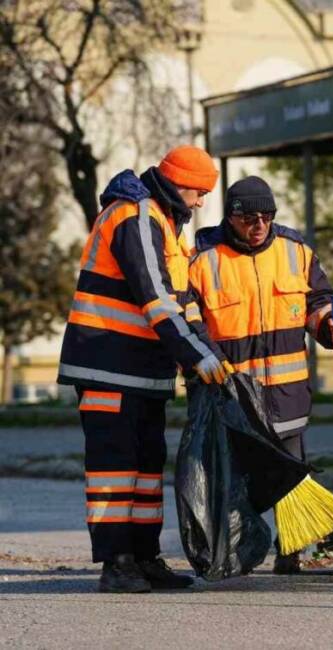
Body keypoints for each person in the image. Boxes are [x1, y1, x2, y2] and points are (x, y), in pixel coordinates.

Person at [58, 145, 232, 593]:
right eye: (199, 194)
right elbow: (155, 298)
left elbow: (184, 302)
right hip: (106, 363)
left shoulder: (166, 226)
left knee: (147, 464)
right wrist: (196, 356)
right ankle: (116, 562)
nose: (200, 204)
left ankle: (144, 557)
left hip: (143, 370)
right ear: (181, 184)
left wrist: (207, 351)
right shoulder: (135, 217)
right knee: (114, 465)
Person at [188, 175, 333, 574]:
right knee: (233, 481)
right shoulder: (201, 260)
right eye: (249, 218)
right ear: (231, 217)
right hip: (232, 400)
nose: (259, 225)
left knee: (291, 478)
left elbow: (319, 302)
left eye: (267, 216)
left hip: (286, 393)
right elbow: (190, 324)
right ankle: (229, 554)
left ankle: (292, 550)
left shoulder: (296, 251)